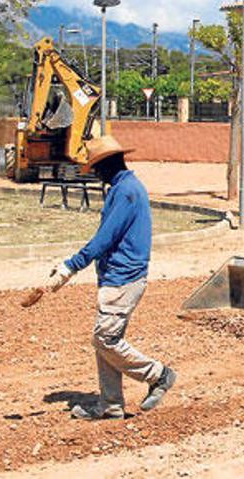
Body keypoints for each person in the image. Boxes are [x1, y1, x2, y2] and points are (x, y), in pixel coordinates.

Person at [47, 135, 176, 419]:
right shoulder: (122, 188)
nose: (94, 173)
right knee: (105, 340)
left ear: (108, 164)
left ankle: (158, 374)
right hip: (116, 276)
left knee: (104, 339)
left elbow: (104, 238)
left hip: (124, 277)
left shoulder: (126, 192)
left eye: (96, 167)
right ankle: (111, 405)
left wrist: (71, 266)